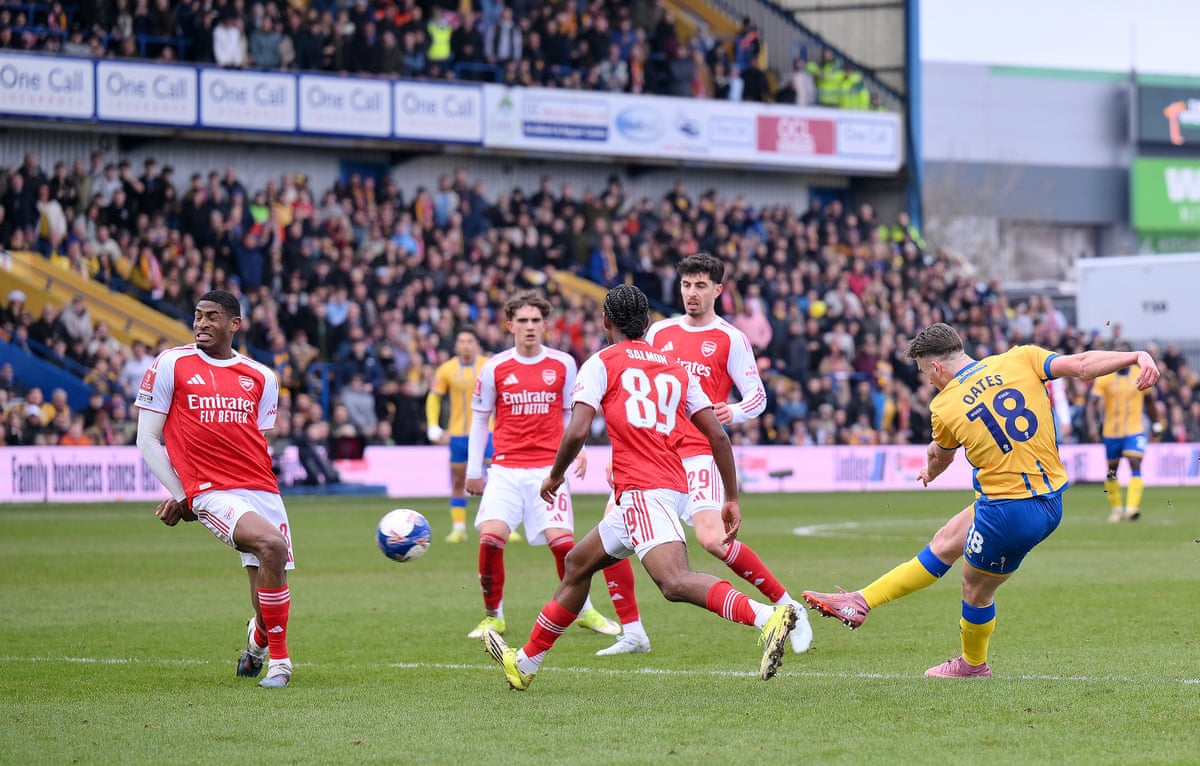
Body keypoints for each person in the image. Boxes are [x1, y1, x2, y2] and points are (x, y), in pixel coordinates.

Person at [481, 284, 797, 691]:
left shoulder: (600, 363)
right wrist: (731, 497)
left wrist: (556, 475)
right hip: (665, 485)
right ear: (647, 323)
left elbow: (576, 431)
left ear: (605, 321)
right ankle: (525, 662)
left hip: (644, 490)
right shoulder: (675, 367)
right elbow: (718, 436)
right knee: (578, 564)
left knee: (673, 581)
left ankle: (766, 616)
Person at [806, 322, 1159, 678]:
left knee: (975, 591)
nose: (928, 381)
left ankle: (973, 665)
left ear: (936, 367)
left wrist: (929, 470)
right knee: (945, 541)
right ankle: (861, 601)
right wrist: (1135, 356)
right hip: (1049, 499)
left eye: (925, 372)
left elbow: (941, 457)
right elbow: (1082, 365)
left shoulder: (944, 405)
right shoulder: (1021, 358)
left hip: (1007, 511)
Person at [596, 253, 812, 656]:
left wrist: (735, 411)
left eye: (700, 285)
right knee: (611, 535)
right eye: (686, 285)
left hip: (699, 453)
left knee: (713, 540)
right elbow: (631, 392)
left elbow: (758, 396)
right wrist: (617, 451)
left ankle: (788, 607)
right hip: (653, 453)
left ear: (718, 290)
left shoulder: (731, 338)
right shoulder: (660, 332)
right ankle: (633, 632)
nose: (691, 293)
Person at [135, 290, 296, 689]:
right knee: (272, 545)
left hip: (262, 488)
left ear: (234, 324)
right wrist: (184, 495)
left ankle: (257, 641)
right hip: (211, 490)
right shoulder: (172, 363)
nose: (201, 323)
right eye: (198, 316)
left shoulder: (261, 376)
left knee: (266, 593)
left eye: (212, 317)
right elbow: (147, 439)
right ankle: (281, 664)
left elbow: (257, 439)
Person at [464, 291, 619, 641]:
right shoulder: (494, 367)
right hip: (505, 469)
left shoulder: (563, 364)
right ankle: (493, 616)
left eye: (536, 320)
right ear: (510, 326)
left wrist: (577, 449)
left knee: (564, 545)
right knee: (490, 539)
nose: (530, 326)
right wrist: (474, 470)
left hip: (549, 470)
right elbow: (480, 419)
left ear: (545, 325)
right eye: (523, 321)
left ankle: (584, 610)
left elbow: (570, 413)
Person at [426, 328, 494, 543]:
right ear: (456, 345)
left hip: (489, 431)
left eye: (469, 341)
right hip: (458, 434)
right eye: (462, 341)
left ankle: (499, 526)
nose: (465, 345)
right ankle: (458, 528)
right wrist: (433, 425)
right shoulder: (446, 369)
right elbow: (434, 397)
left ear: (477, 344)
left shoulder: (490, 366)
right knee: (458, 480)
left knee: (497, 480)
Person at [1087, 341, 1163, 522]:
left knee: (1135, 462)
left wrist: (1156, 424)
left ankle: (1131, 508)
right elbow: (1092, 403)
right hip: (1111, 431)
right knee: (1112, 470)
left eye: (1125, 353)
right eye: (1118, 353)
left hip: (1134, 430)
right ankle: (1116, 509)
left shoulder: (1140, 373)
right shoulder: (1104, 376)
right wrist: (1092, 426)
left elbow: (1150, 402)